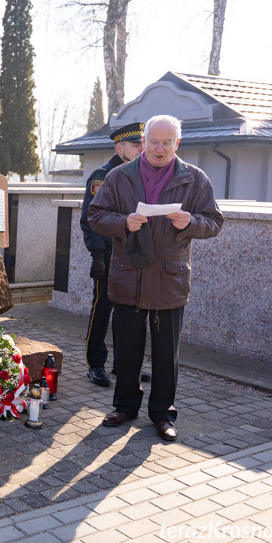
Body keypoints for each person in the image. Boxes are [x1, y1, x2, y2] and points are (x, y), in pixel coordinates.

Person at [88, 114, 223, 442]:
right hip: (128, 277)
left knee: (166, 353)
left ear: (177, 143)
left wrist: (190, 222)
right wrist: (123, 223)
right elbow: (95, 216)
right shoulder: (119, 176)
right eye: (153, 141)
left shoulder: (195, 179)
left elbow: (214, 222)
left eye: (167, 142)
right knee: (127, 349)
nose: (159, 148)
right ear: (144, 142)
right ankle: (125, 406)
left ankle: (162, 414)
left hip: (169, 278)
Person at [80, 122, 144, 387]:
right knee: (102, 309)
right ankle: (95, 363)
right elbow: (90, 220)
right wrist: (97, 256)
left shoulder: (141, 175)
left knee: (128, 311)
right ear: (120, 148)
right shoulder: (102, 176)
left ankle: (123, 364)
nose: (142, 149)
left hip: (132, 254)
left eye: (143, 144)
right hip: (107, 255)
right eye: (136, 145)